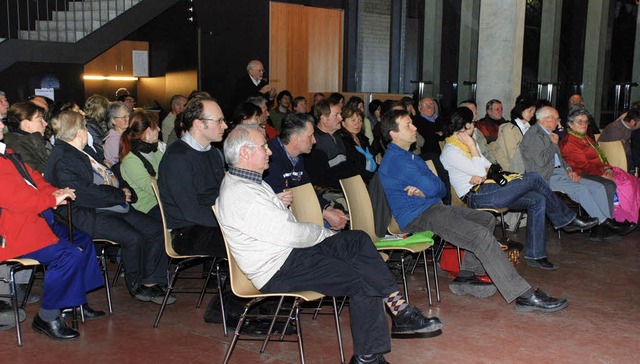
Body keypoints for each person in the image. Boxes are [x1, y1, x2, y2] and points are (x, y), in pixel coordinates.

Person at [217, 125, 443, 364]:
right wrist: (323, 233)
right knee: (362, 278)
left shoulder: (248, 181)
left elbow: (271, 224)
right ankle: (368, 357)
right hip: (278, 268)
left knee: (357, 240)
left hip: (290, 254)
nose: (270, 152)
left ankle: (399, 310)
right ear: (244, 154)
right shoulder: (241, 194)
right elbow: (289, 233)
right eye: (263, 147)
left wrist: (276, 203)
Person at [378, 109, 568, 312]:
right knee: (480, 237)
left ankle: (466, 275)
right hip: (418, 216)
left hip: (432, 207)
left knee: (485, 219)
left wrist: (427, 190)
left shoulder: (410, 157)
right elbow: (435, 188)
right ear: (393, 133)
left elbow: (441, 187)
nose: (415, 127)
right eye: (408, 125)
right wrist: (429, 190)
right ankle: (524, 295)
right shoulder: (398, 160)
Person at [440, 107, 597, 269]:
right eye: (472, 123)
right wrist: (474, 149)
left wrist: (483, 172)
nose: (475, 126)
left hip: (490, 188)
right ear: (465, 126)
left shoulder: (466, 145)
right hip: (477, 195)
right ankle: (566, 219)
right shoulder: (451, 151)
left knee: (538, 199)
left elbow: (489, 167)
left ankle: (535, 255)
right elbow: (481, 169)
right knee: (535, 177)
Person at [44, 110, 171, 305]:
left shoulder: (85, 150)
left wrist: (124, 189)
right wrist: (120, 194)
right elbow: (84, 193)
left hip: (109, 205)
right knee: (133, 237)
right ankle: (137, 286)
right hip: (85, 213)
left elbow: (110, 173)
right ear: (78, 132)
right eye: (85, 127)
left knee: (155, 229)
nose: (88, 131)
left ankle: (152, 281)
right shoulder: (63, 157)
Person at [0, 117, 105, 340]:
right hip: (12, 233)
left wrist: (55, 191)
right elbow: (20, 198)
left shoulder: (7, 154)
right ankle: (47, 317)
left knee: (82, 240)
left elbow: (36, 179)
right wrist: (52, 199)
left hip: (33, 222)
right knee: (67, 255)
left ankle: (73, 302)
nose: (2, 126)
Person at [519, 106, 634, 238]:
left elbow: (560, 159)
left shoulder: (548, 134)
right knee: (581, 190)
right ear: (547, 119)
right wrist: (554, 144)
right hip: (546, 176)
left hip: (561, 172)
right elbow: (541, 161)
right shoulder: (534, 134)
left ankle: (605, 225)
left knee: (598, 187)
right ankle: (607, 224)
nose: (558, 122)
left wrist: (568, 169)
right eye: (556, 119)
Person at [157, 96, 227, 257]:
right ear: (198, 124)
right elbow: (191, 211)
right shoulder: (177, 158)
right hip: (186, 231)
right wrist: (230, 220)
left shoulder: (213, 153)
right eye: (219, 120)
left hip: (210, 222)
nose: (224, 125)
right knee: (245, 240)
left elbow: (221, 194)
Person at [559, 106, 639, 234]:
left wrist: (607, 168)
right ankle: (607, 224)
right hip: (582, 173)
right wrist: (602, 173)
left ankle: (623, 218)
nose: (584, 124)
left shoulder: (585, 138)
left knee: (631, 181)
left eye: (586, 121)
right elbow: (584, 165)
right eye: (580, 121)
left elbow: (601, 157)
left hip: (597, 170)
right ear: (570, 124)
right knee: (612, 184)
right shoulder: (570, 142)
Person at [263, 112, 348, 231]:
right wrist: (324, 214)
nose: (314, 141)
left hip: (297, 214)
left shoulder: (297, 157)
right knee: (330, 229)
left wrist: (328, 208)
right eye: (310, 136)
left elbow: (306, 190)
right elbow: (280, 203)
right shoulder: (270, 159)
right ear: (296, 138)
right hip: (278, 221)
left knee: (336, 223)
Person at [120, 111, 165, 220]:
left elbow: (172, 175)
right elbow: (154, 189)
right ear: (148, 131)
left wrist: (157, 179)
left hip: (163, 202)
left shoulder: (155, 152)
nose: (159, 129)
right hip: (149, 207)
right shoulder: (131, 160)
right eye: (156, 127)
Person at [303, 99, 354, 189]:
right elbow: (320, 181)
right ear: (324, 118)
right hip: (330, 192)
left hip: (346, 188)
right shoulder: (314, 142)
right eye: (336, 115)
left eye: (340, 114)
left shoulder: (340, 137)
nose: (341, 118)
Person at [3, 102, 51, 173]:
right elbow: (36, 173)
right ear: (26, 124)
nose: (45, 124)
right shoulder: (17, 146)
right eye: (40, 120)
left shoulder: (32, 141)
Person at [494, 96, 536, 170]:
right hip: (511, 168)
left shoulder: (530, 128)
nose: (532, 114)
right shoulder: (509, 129)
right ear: (521, 109)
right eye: (530, 111)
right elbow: (512, 156)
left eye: (533, 112)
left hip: (526, 166)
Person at [336, 106, 376, 183]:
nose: (357, 124)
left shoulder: (363, 139)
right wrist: (373, 177)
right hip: (356, 181)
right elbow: (352, 168)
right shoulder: (343, 141)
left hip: (370, 178)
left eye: (360, 120)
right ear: (343, 123)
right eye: (353, 120)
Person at [598, 107, 640, 172]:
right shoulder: (615, 129)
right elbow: (616, 152)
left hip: (623, 158)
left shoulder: (627, 127)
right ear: (632, 122)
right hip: (614, 161)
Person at [103, 102, 130, 166]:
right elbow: (124, 163)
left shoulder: (128, 134)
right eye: (124, 117)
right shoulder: (112, 140)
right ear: (113, 121)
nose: (128, 119)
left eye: (128, 116)